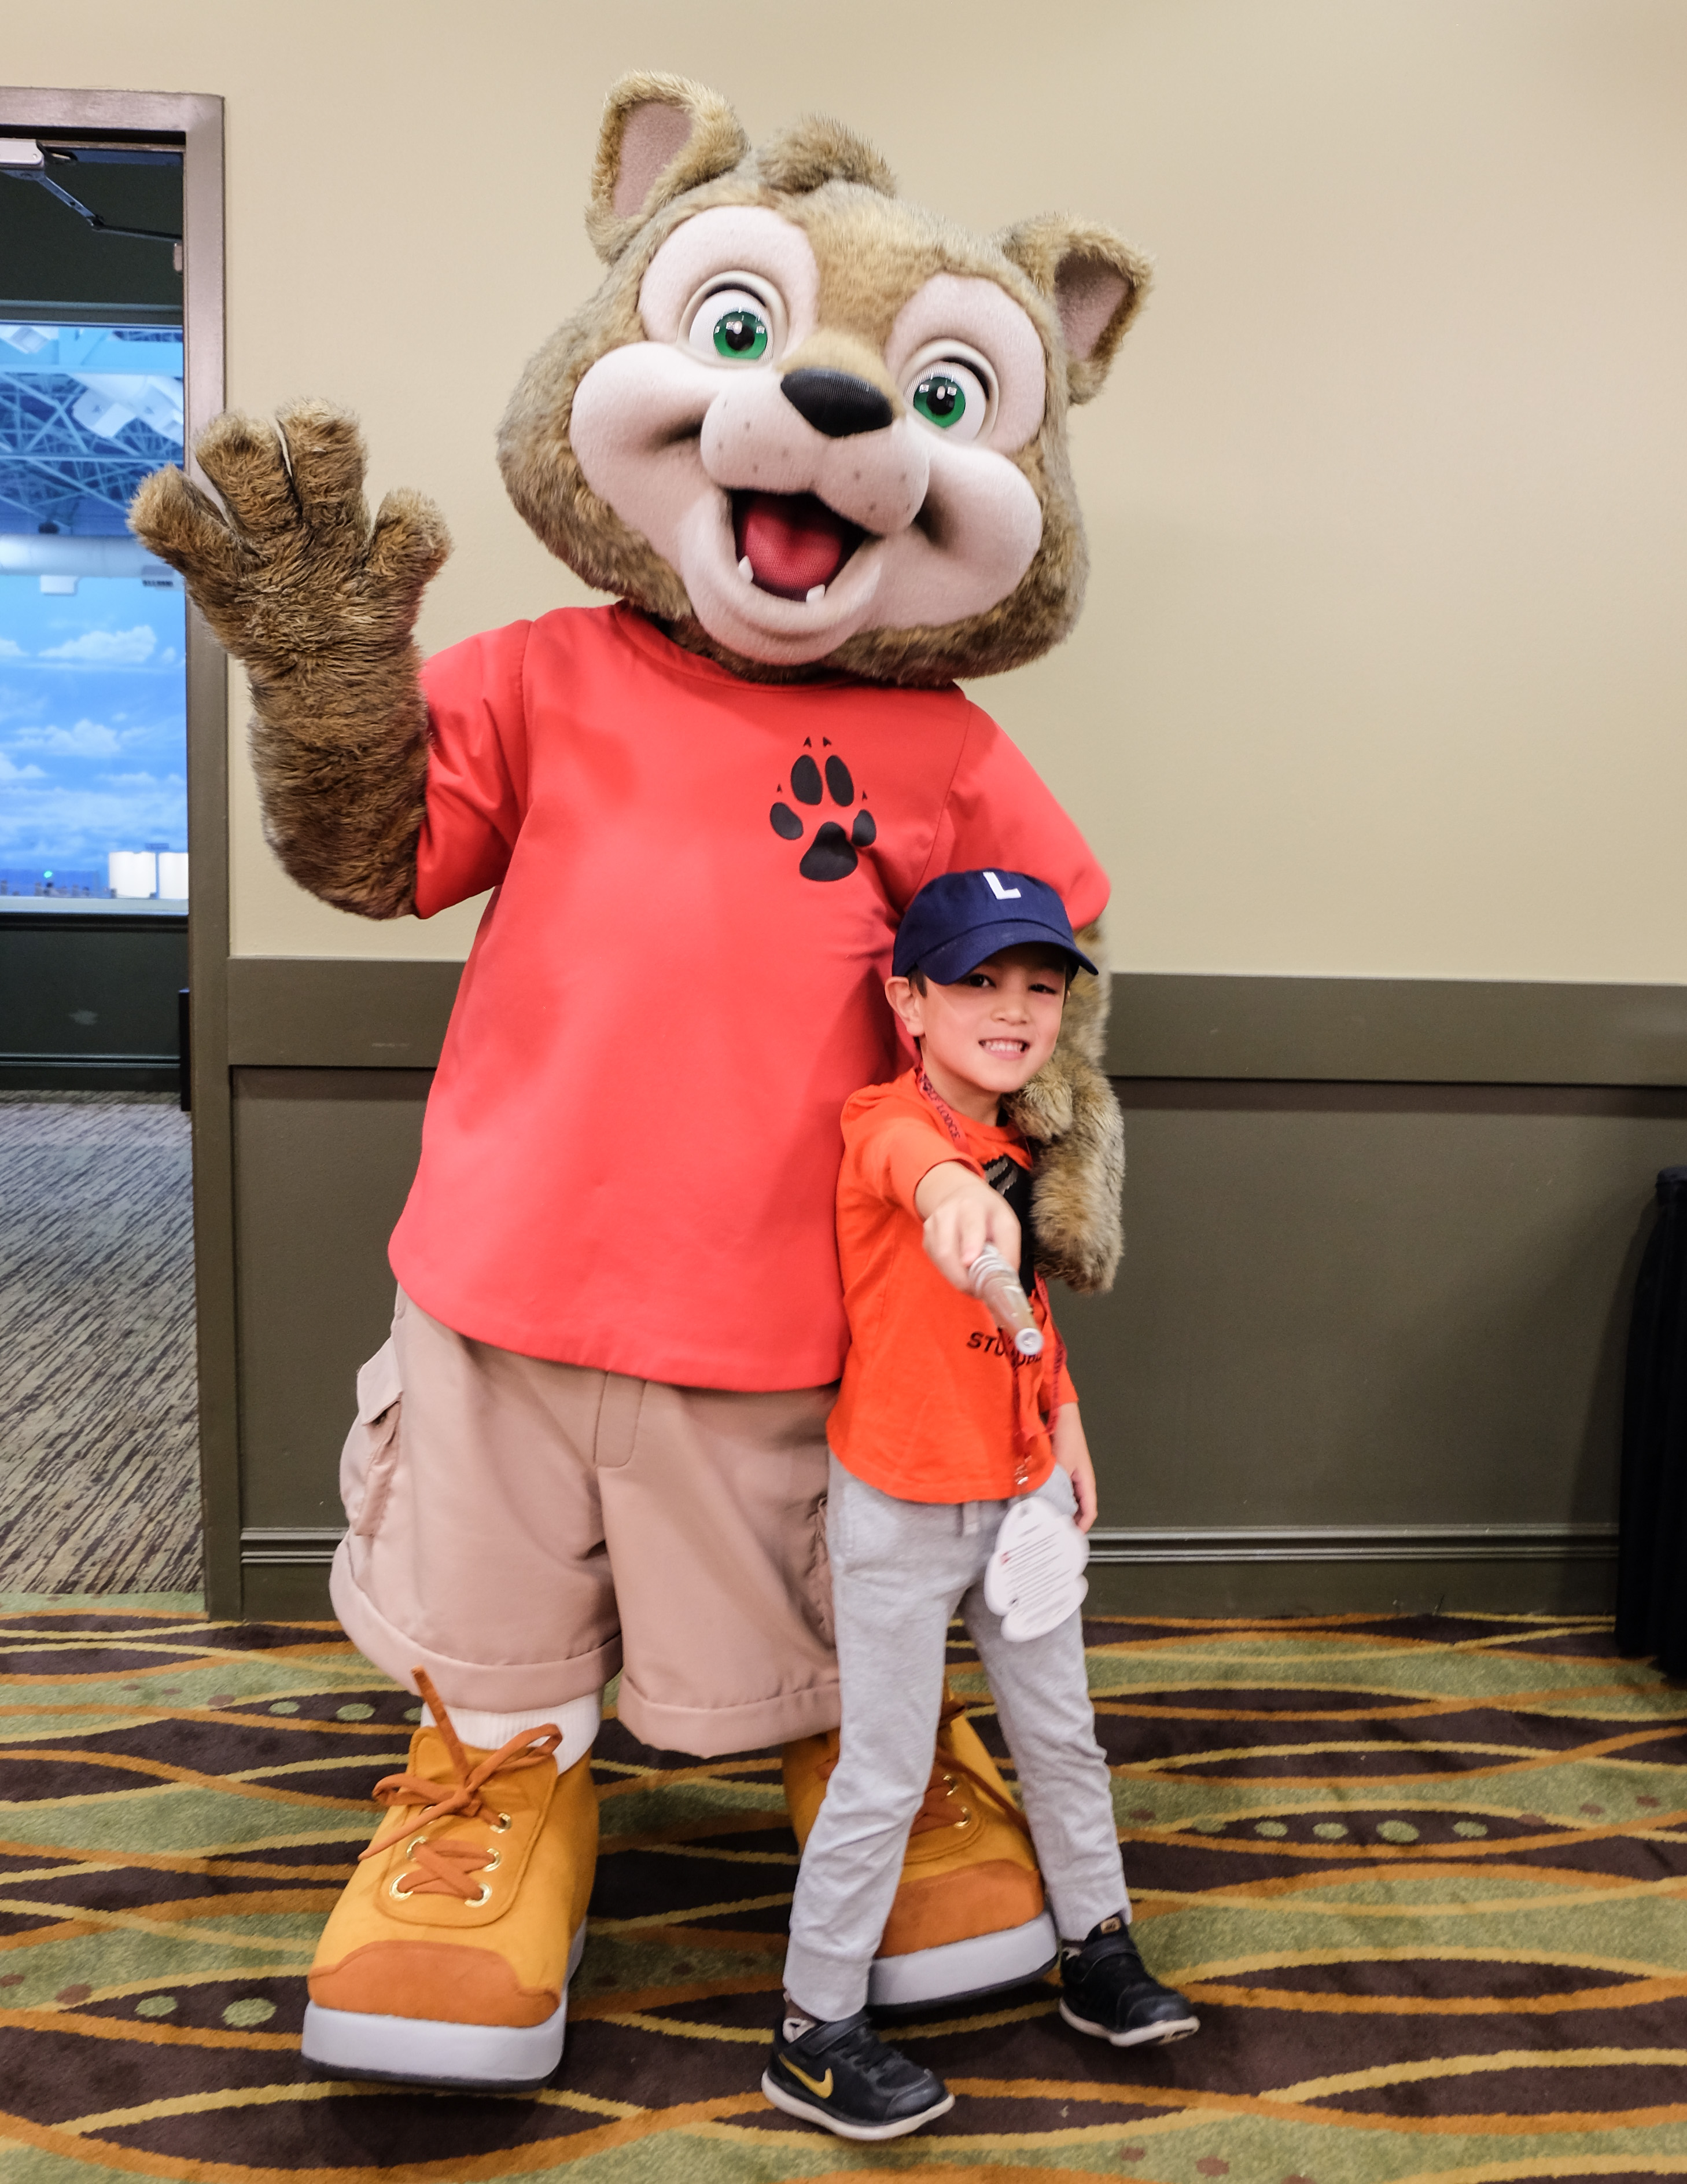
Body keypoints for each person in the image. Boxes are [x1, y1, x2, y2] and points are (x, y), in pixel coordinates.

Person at [762, 869, 1199, 2142]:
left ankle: (1098, 1948)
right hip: (901, 1509)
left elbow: (1030, 1317)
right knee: (886, 1770)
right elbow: (926, 1184)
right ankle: (813, 2031)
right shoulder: (887, 1126)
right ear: (909, 1001)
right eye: (978, 982)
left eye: (1040, 988)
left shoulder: (1026, 1149)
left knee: (1062, 1738)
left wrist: (1065, 1421)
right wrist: (957, 1206)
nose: (1014, 1009)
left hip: (1021, 1499)